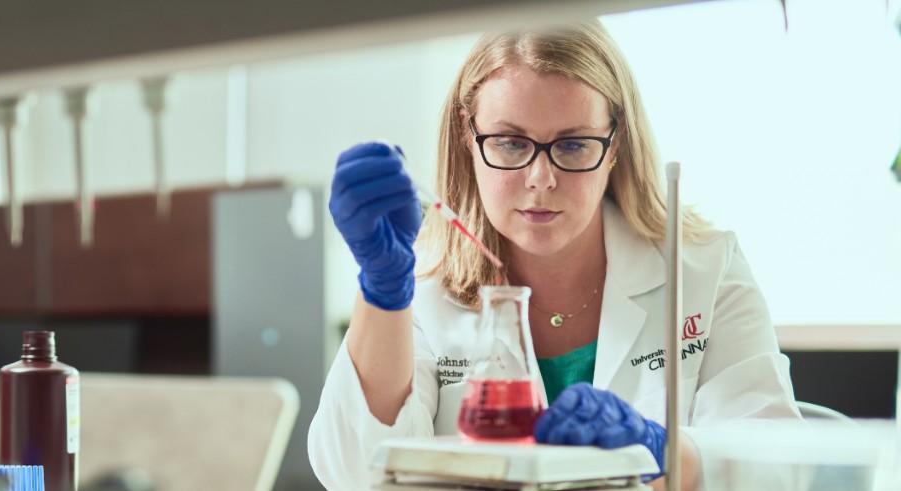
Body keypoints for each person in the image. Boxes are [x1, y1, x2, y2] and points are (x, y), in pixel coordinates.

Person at [306, 21, 802, 491]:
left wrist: (668, 454)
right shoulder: (424, 290)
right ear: (467, 134)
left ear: (615, 143)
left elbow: (780, 468)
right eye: (509, 141)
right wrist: (383, 289)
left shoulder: (704, 270)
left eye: (572, 145)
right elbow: (354, 475)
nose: (541, 178)